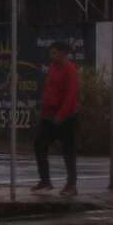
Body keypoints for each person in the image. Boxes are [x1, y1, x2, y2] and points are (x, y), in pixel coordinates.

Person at [31, 41, 79, 196]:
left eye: (55, 53)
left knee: (68, 150)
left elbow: (70, 95)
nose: (52, 56)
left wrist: (61, 115)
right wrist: (43, 112)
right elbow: (49, 90)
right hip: (49, 115)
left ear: (63, 53)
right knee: (39, 144)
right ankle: (45, 181)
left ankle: (71, 185)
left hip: (66, 117)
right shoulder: (52, 68)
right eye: (51, 53)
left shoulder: (70, 69)